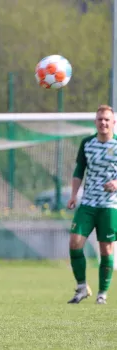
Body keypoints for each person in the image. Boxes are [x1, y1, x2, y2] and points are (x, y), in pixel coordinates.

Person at [67, 104, 117, 305]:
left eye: (107, 119)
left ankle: (102, 294)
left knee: (106, 250)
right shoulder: (87, 143)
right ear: (95, 122)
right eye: (100, 119)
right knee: (74, 243)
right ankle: (81, 288)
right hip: (88, 204)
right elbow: (79, 170)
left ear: (113, 122)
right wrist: (73, 195)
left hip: (109, 206)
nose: (103, 122)